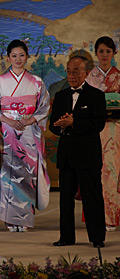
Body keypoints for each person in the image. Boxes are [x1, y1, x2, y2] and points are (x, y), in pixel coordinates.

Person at [0, 39, 50, 232]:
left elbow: (45, 106)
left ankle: (25, 219)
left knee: (27, 176)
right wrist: (6, 119)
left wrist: (31, 120)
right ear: (8, 58)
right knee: (8, 177)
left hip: (29, 133)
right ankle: (9, 219)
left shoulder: (37, 82)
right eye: (14, 55)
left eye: (21, 55)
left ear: (27, 57)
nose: (18, 59)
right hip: (7, 133)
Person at [50, 56, 106, 248]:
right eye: (69, 71)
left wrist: (74, 122)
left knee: (92, 197)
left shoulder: (97, 96)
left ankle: (97, 237)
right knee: (65, 200)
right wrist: (60, 126)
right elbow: (53, 126)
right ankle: (66, 237)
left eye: (76, 71)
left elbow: (98, 124)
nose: (71, 75)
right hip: (67, 156)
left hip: (88, 156)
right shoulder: (60, 96)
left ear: (85, 73)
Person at [86, 36, 120, 232]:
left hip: (116, 130)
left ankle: (113, 215)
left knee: (113, 171)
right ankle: (101, 216)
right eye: (101, 51)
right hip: (95, 131)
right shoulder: (90, 78)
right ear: (96, 53)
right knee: (98, 172)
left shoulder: (119, 76)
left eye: (108, 51)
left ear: (113, 53)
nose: (105, 55)